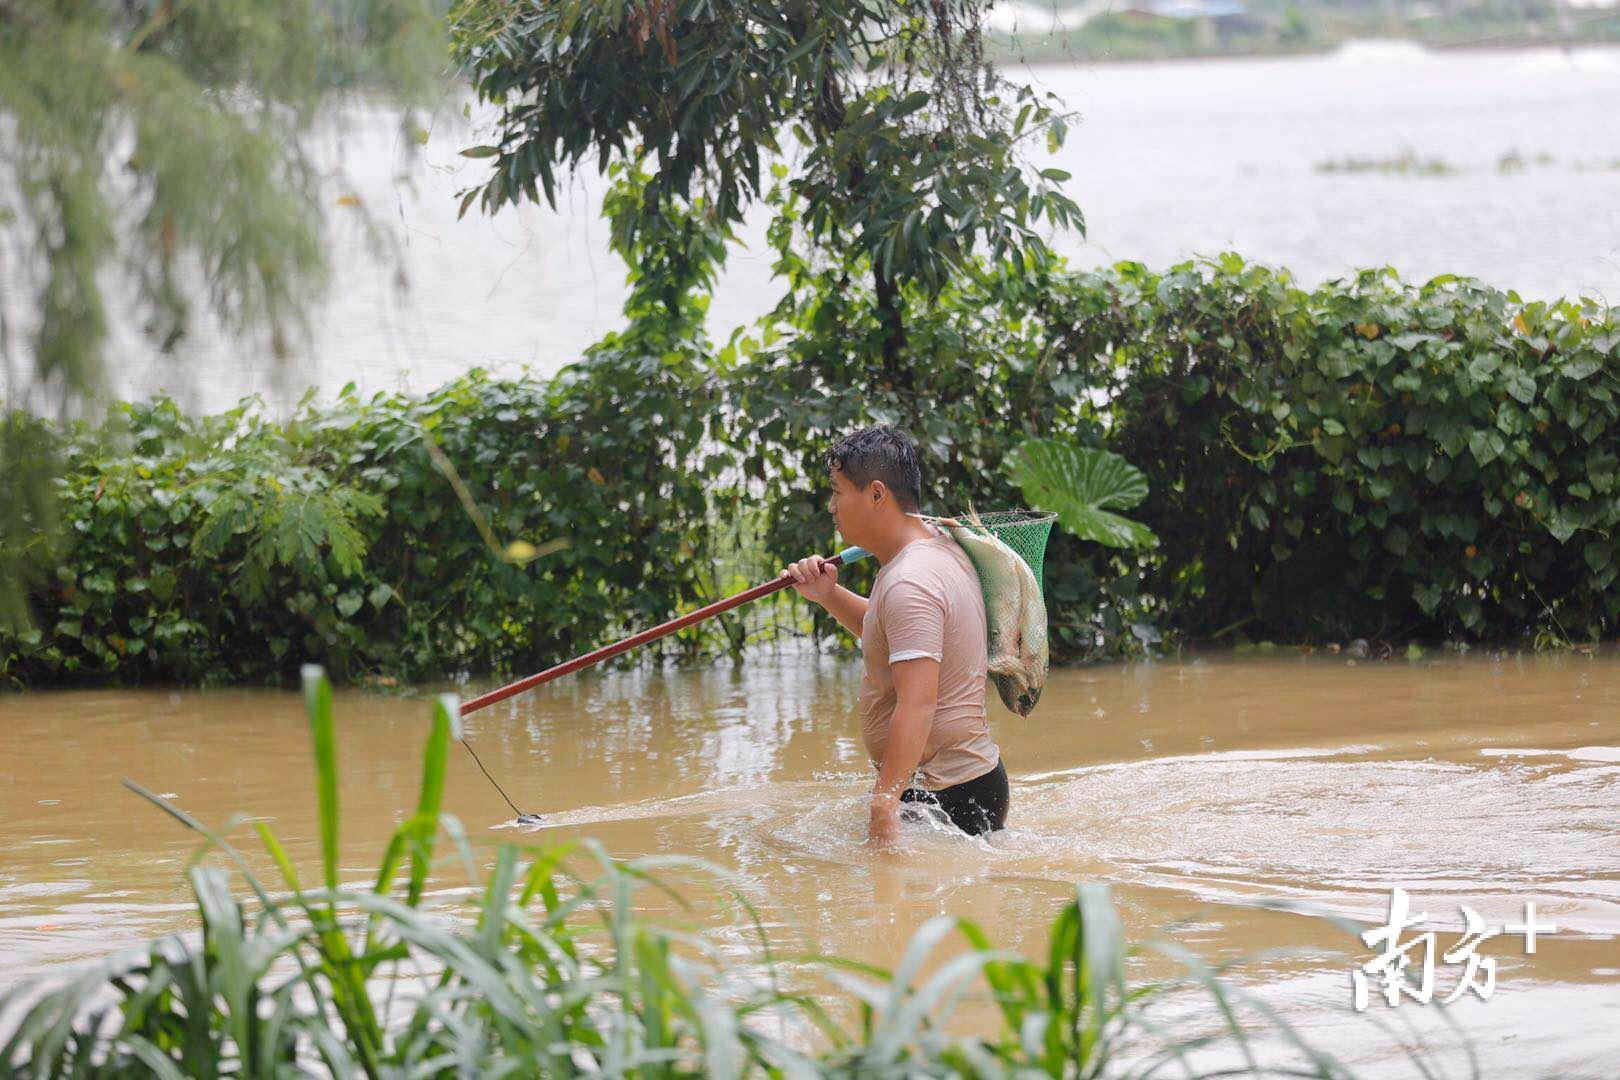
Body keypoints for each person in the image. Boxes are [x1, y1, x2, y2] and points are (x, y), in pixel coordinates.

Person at [780, 425, 1009, 844]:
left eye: (837, 490)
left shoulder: (910, 580)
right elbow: (894, 634)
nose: (832, 506)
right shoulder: (935, 547)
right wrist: (827, 594)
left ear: (877, 495)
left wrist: (884, 803)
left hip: (949, 799)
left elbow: (917, 703)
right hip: (962, 788)